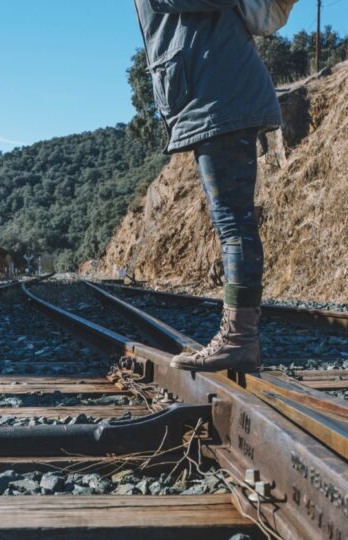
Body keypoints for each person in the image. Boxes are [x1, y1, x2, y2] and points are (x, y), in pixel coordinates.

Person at [134, 0, 282, 372]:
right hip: (214, 92)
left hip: (220, 95)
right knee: (233, 222)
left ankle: (239, 339)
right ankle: (240, 338)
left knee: (234, 223)